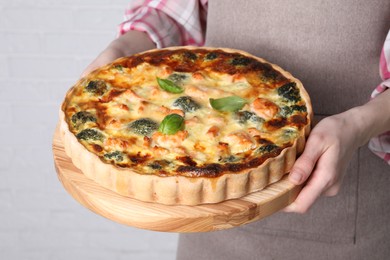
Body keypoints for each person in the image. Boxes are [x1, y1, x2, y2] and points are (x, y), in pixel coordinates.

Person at [83, 1, 390, 259]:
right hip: (206, 216)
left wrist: (359, 124)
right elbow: (175, 9)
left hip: (349, 205)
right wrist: (122, 50)